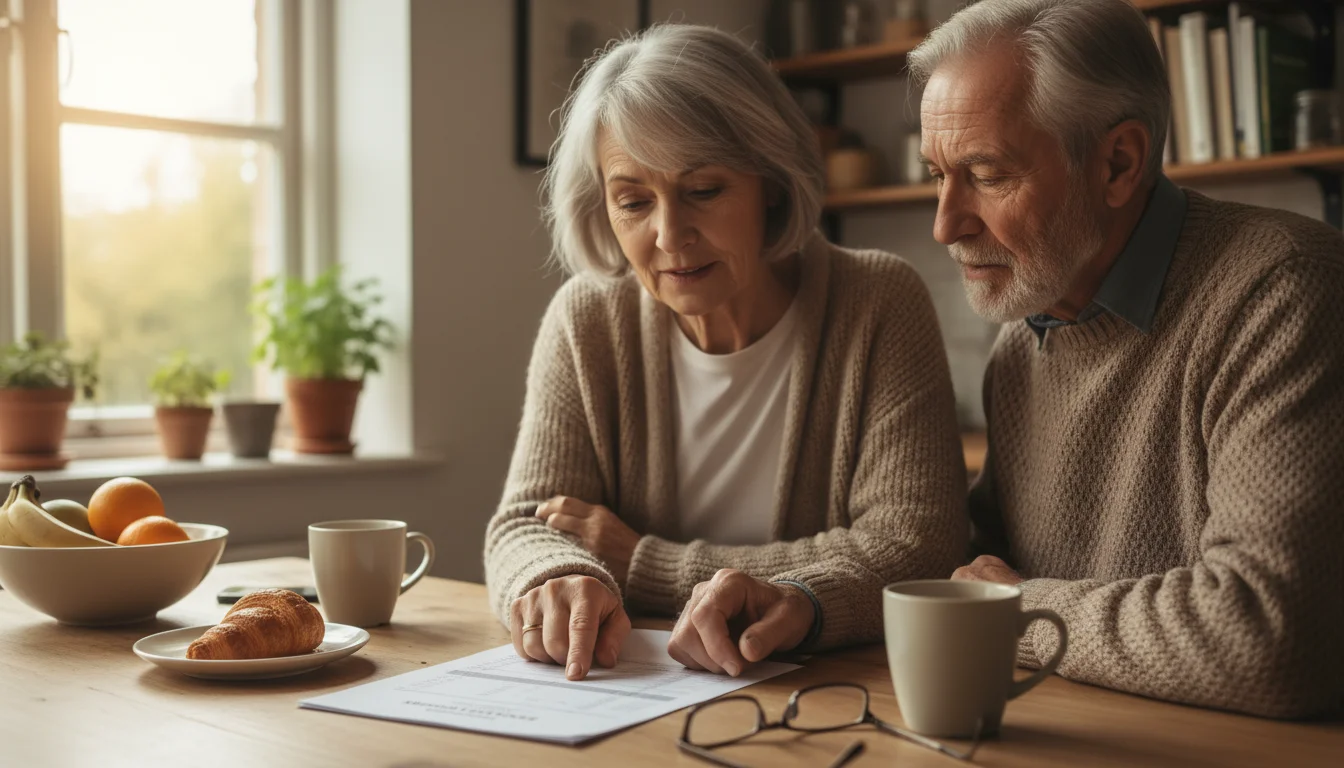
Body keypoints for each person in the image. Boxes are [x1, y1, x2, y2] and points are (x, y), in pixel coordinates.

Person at [671, 0, 1344, 719]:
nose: (944, 224)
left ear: (1119, 163)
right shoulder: (1024, 341)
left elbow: (1268, 637)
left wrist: (1015, 606)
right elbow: (965, 568)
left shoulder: (1283, 291)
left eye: (987, 175)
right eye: (937, 174)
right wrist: (807, 601)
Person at [483, 24, 967, 682]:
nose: (669, 235)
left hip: (832, 695)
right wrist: (559, 573)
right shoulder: (587, 321)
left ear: (768, 180)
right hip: (634, 694)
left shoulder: (878, 302)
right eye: (633, 201)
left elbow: (917, 546)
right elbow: (523, 524)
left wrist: (642, 564)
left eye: (703, 191)